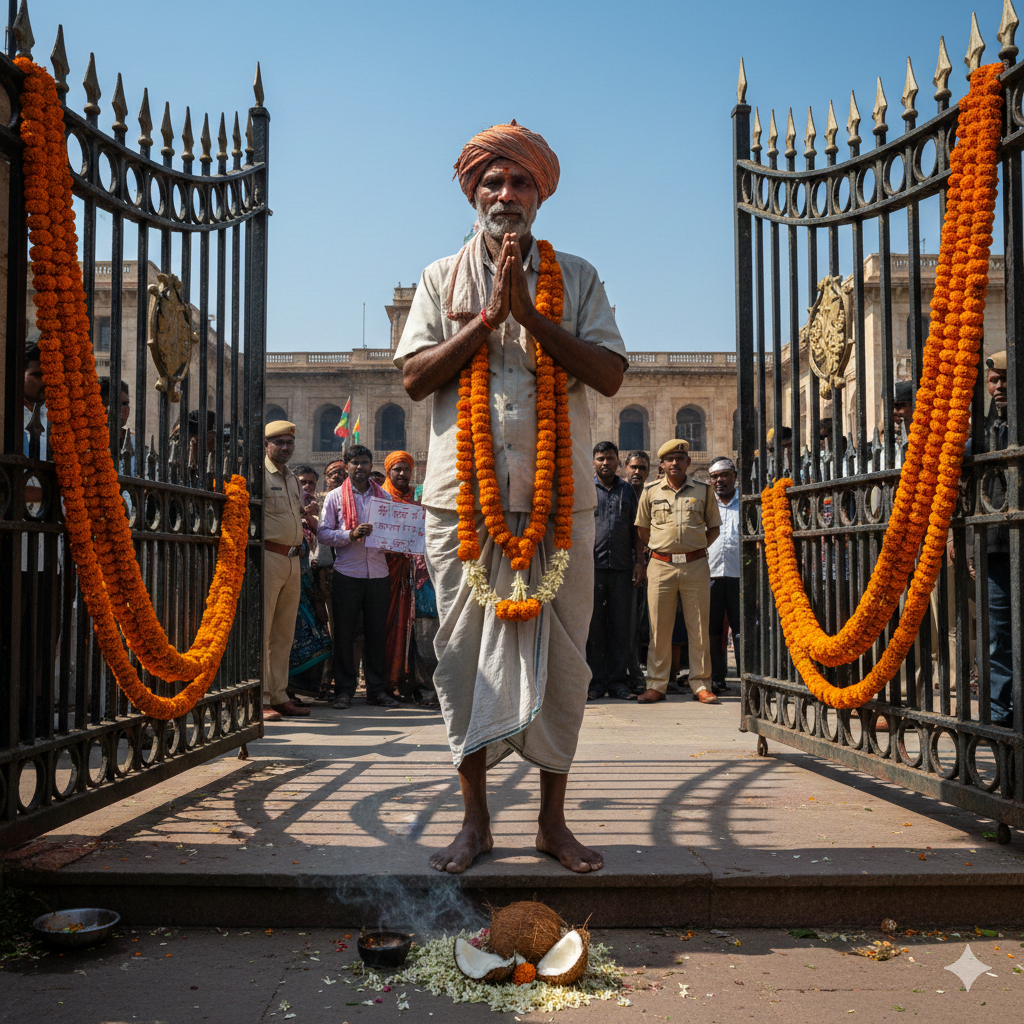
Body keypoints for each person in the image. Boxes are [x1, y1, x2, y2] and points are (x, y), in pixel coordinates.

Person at [395, 120, 627, 875]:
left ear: (539, 194)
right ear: (474, 192)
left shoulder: (579, 277)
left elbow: (610, 373)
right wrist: (489, 320)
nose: (505, 194)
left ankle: (553, 825)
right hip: (463, 506)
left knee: (566, 667)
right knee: (462, 662)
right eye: (493, 182)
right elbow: (415, 377)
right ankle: (475, 824)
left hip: (561, 506)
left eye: (519, 182)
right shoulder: (439, 279)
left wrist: (530, 315)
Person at [635, 439, 721, 705]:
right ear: (661, 464)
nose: (675, 463)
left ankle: (701, 684)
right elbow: (643, 530)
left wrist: (693, 549)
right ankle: (657, 684)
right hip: (660, 565)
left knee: (698, 626)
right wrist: (667, 549)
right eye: (669, 459)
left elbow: (714, 528)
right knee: (659, 627)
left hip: (695, 565)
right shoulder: (650, 492)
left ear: (688, 463)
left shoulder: (704, 492)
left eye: (680, 459)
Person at [317, 444, 397, 709]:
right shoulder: (335, 498)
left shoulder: (383, 496)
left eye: (365, 462)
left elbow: (394, 531)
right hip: (347, 572)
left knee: (376, 633)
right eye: (355, 463)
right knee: (344, 633)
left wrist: (395, 541)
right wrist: (349, 535)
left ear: (371, 465)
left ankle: (377, 690)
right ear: (346, 465)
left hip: (378, 573)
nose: (360, 467)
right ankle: (344, 690)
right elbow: (323, 533)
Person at [965, 351, 1013, 727]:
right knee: (995, 635)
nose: (998, 387)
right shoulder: (985, 429)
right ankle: (998, 717)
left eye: (1005, 380)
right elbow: (968, 490)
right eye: (993, 381)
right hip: (993, 545)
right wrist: (967, 544)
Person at [262, 420, 316, 721]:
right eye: (279, 442)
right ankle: (260, 697)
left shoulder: (292, 479)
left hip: (293, 559)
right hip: (269, 556)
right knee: (264, 630)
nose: (285, 447)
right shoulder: (258, 474)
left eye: (289, 443)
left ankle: (279, 694)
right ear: (267, 445)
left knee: (283, 633)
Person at [586, 441, 644, 700]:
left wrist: (640, 562)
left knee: (622, 626)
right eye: (600, 458)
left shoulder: (628, 491)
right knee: (594, 627)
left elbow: (636, 529)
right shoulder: (586, 490)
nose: (605, 463)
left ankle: (619, 683)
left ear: (618, 461)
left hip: (622, 568)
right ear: (593, 462)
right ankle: (596, 682)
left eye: (610, 458)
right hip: (593, 568)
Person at [382, 450, 420, 700]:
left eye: (406, 468)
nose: (403, 474)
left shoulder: (416, 504)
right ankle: (385, 680)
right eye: (397, 469)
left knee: (408, 627)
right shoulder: (381, 499)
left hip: (411, 574)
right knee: (386, 626)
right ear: (388, 472)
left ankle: (404, 680)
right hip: (384, 572)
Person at [707, 456, 740, 696]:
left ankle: (747, 676)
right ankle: (716, 678)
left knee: (741, 629)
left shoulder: (747, 504)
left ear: (734, 476)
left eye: (725, 475)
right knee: (712, 630)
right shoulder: (706, 506)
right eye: (715, 477)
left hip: (740, 575)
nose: (720, 480)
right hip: (710, 574)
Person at [624, 451, 652, 693]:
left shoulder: (652, 495)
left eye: (642, 468)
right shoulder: (620, 493)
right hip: (623, 565)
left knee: (643, 621)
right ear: (625, 468)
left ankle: (639, 672)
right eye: (633, 467)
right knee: (626, 621)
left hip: (649, 565)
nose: (637, 472)